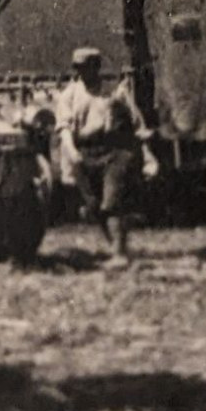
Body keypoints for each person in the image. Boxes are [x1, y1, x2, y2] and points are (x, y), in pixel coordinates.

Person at [53, 47, 152, 265]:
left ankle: (119, 254)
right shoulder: (69, 95)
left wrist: (147, 155)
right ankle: (117, 248)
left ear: (97, 67)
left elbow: (137, 124)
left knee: (112, 201)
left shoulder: (115, 92)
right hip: (84, 153)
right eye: (78, 68)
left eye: (88, 66)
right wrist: (72, 152)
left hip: (114, 150)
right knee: (94, 206)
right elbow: (64, 129)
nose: (83, 72)